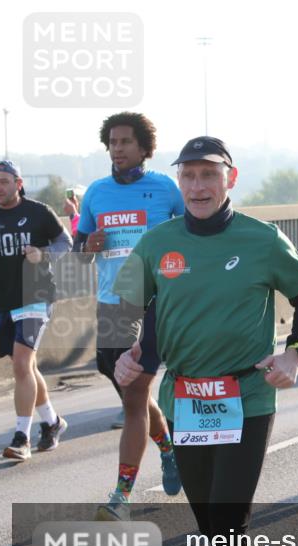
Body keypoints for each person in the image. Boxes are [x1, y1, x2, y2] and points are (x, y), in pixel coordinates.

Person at [112, 136, 298, 546]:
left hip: (246, 396)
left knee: (223, 534)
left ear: (231, 178)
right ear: (179, 181)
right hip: (185, 397)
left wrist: (295, 355)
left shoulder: (262, 240)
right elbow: (128, 305)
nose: (199, 186)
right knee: (212, 526)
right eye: (189, 176)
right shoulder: (157, 242)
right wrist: (125, 353)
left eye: (210, 175)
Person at [74, 113, 185, 518]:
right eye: (112, 142)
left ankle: (122, 495)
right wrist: (89, 244)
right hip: (112, 303)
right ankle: (169, 449)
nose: (117, 149)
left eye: (125, 142)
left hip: (154, 302)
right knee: (127, 389)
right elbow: (79, 250)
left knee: (136, 395)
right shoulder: (97, 194)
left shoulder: (166, 189)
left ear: (143, 148)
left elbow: (188, 237)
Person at [0, 160, 72, 460]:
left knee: (21, 364)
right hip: (4, 301)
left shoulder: (38, 212)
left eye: (3, 181)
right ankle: (52, 422)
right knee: (26, 367)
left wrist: (44, 253)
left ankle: (21, 438)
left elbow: (65, 243)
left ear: (18, 183)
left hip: (36, 296)